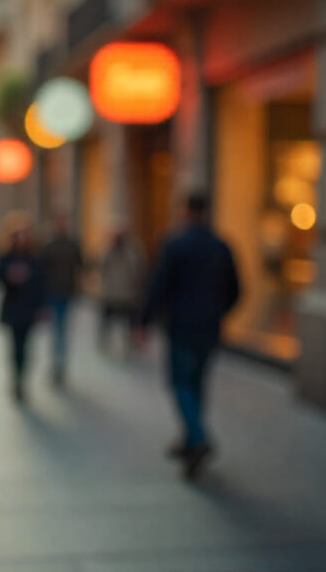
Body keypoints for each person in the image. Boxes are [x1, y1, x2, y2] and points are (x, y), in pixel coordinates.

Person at [137, 194, 240, 480]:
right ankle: (189, 439)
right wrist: (218, 312)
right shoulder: (221, 246)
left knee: (181, 382)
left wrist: (144, 319)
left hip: (181, 326)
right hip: (208, 327)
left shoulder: (175, 244)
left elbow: (158, 285)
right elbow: (236, 288)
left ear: (185, 212)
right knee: (196, 383)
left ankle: (198, 436)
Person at [0, 215, 44, 402]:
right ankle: (16, 378)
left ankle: (22, 377)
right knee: (15, 345)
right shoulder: (6, 256)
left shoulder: (34, 258)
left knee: (26, 346)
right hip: (13, 308)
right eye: (19, 235)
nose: (22, 238)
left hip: (29, 308)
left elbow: (41, 282)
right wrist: (11, 277)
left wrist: (41, 306)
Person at [39, 214, 83, 386]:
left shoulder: (72, 245)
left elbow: (80, 265)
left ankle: (59, 365)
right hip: (54, 292)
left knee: (60, 330)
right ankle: (57, 365)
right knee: (58, 330)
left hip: (67, 292)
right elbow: (43, 271)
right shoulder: (49, 246)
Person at [98, 228, 145, 356]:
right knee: (107, 322)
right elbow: (102, 265)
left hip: (126, 295)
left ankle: (128, 346)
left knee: (127, 323)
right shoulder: (109, 250)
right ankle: (105, 344)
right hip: (112, 294)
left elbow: (138, 270)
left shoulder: (132, 251)